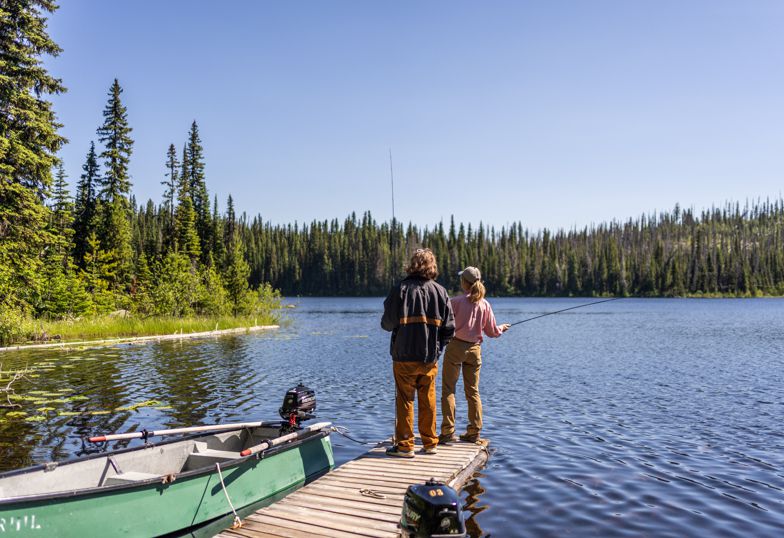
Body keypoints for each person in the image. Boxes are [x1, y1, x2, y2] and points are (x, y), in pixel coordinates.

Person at [381, 248, 455, 457]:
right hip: (429, 357)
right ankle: (430, 443)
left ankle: (405, 446)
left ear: (412, 264)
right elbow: (449, 329)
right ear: (432, 267)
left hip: (403, 356)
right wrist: (438, 350)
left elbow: (387, 324)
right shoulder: (440, 291)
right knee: (428, 398)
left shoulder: (400, 289)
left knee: (405, 400)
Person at [439, 266, 509, 445]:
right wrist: (501, 328)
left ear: (464, 282)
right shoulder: (485, 304)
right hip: (475, 350)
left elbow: (443, 324)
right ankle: (474, 432)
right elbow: (492, 332)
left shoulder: (455, 302)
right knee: (473, 392)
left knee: (449, 390)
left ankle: (447, 432)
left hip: (455, 348)